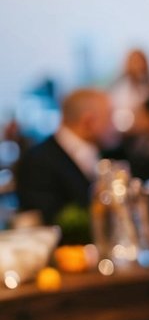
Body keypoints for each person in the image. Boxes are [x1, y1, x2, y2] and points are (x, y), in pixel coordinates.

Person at [16, 88, 113, 224]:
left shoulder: (99, 150)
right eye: (109, 117)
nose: (114, 125)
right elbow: (50, 221)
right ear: (88, 121)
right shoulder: (38, 160)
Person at [110, 49, 149, 136]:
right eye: (135, 61)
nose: (139, 65)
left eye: (141, 61)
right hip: (131, 132)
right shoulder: (121, 87)